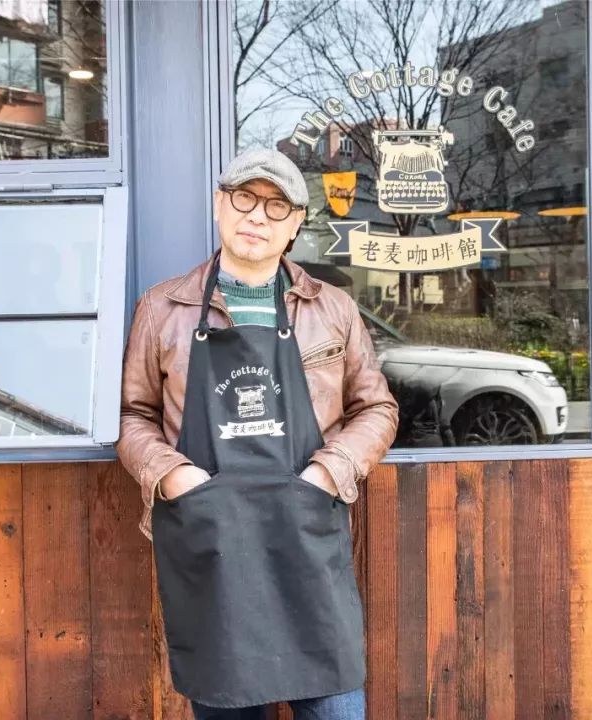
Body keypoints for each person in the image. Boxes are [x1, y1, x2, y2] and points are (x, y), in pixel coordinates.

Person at [116, 148, 399, 720]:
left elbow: (377, 409)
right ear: (221, 206)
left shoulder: (333, 308)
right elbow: (133, 416)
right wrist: (173, 476)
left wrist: (328, 472)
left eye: (276, 207)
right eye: (244, 198)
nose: (257, 217)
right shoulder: (162, 308)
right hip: (213, 542)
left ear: (295, 224)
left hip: (305, 536)